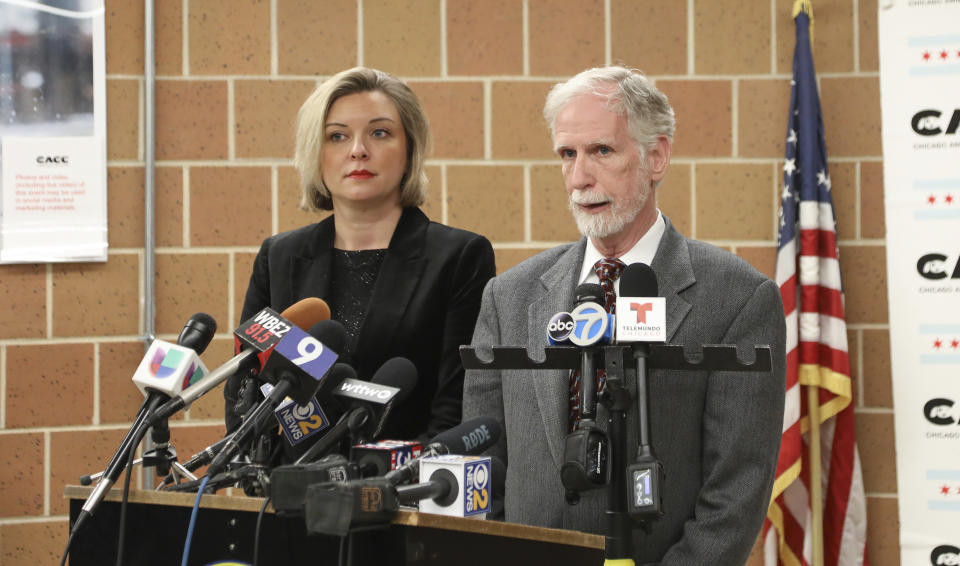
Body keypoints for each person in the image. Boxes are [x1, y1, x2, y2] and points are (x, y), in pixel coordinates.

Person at [462, 66, 786, 564]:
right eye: (567, 155)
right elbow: (482, 460)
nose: (579, 178)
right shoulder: (509, 296)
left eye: (601, 151)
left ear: (656, 157)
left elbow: (736, 487)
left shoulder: (740, 299)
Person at [227, 67, 495, 448]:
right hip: (287, 491)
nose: (357, 150)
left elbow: (457, 406)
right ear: (315, 154)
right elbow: (245, 389)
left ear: (409, 149)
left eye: (379, 132)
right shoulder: (280, 256)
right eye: (337, 136)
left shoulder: (459, 257)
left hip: (403, 491)